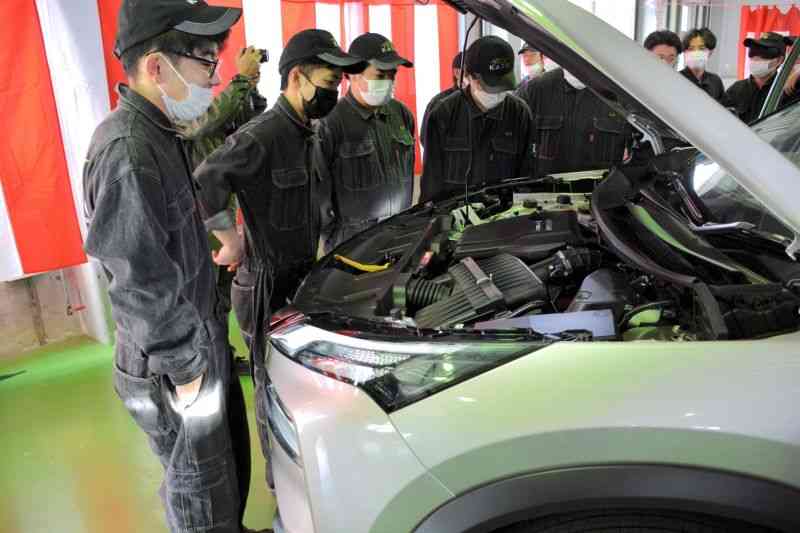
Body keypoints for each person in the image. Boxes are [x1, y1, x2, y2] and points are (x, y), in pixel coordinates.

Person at [82, 1, 261, 532]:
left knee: (220, 472)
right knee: (198, 489)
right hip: (172, 362)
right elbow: (137, 281)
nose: (216, 76)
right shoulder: (129, 151)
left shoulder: (161, 133)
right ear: (157, 67)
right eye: (206, 62)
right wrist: (188, 370)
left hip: (191, 340)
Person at [193, 28, 364, 498]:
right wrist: (231, 240)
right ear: (297, 77)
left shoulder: (307, 131)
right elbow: (206, 179)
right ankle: (282, 492)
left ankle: (305, 480)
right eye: (329, 80)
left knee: (297, 387)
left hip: (296, 276)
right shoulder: (264, 134)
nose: (335, 91)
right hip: (264, 282)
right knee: (272, 395)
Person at [317, 33, 416, 251]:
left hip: (400, 236)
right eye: (380, 75)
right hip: (353, 244)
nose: (389, 82)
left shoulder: (402, 115)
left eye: (393, 75)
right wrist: (336, 240)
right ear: (352, 74)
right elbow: (318, 197)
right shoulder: (330, 122)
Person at [420, 36, 533, 203]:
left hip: (502, 219)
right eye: (490, 86)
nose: (497, 93)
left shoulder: (520, 114)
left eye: (503, 86)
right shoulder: (443, 113)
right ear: (469, 76)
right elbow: (431, 183)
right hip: (456, 218)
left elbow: (526, 178)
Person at [515, 62, 630, 179]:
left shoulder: (621, 96)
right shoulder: (534, 91)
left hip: (599, 193)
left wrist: (624, 184)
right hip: (539, 192)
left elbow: (641, 152)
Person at [725, 32, 795, 123]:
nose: (756, 58)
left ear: (779, 60)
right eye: (753, 52)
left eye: (764, 53)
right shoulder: (736, 89)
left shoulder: (787, 90)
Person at [421, 51, 464, 147]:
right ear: (457, 73)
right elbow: (426, 139)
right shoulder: (439, 103)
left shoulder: (482, 101)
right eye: (471, 72)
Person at [680, 28, 726, 103]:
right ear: (685, 52)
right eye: (691, 49)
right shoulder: (677, 79)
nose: (696, 53)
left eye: (701, 48)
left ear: (710, 52)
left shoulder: (715, 81)